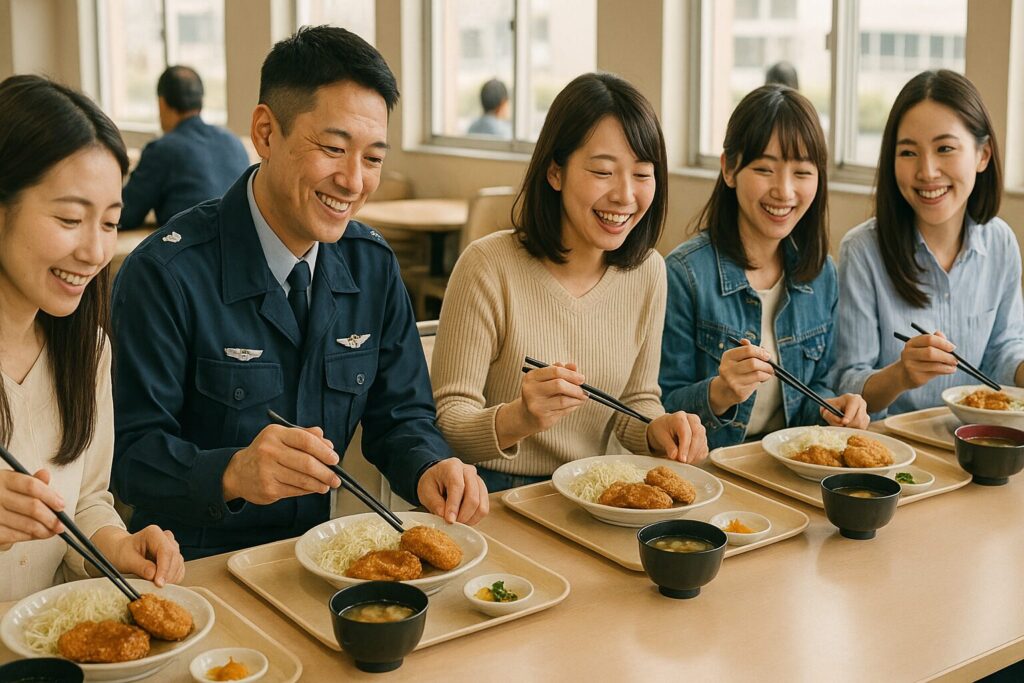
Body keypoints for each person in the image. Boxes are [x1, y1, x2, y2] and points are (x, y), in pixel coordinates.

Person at [111, 26, 488, 560]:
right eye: (334, 148)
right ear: (265, 132)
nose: (354, 181)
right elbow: (130, 458)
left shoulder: (372, 265)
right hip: (191, 569)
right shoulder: (165, 273)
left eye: (374, 158)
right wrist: (232, 472)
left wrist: (430, 464)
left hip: (317, 560)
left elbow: (401, 415)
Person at [431, 72, 708, 493]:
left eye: (642, 174)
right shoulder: (488, 266)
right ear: (555, 173)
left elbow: (635, 403)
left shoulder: (649, 271)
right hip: (490, 492)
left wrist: (657, 428)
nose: (624, 195)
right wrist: (518, 418)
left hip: (590, 491)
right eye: (602, 171)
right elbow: (446, 421)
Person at [0, 75, 184, 601]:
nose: (94, 250)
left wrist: (114, 546)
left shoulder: (87, 350)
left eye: (109, 223)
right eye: (70, 219)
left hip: (46, 643)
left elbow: (85, 502)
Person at [659, 85, 869, 449]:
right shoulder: (684, 274)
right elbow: (657, 410)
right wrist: (720, 393)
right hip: (710, 473)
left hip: (783, 471)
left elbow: (813, 391)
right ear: (729, 169)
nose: (784, 191)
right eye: (764, 169)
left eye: (802, 172)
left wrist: (830, 408)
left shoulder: (821, 274)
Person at [835, 70, 1024, 415]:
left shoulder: (1001, 243)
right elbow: (847, 383)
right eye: (908, 153)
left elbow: (1002, 352)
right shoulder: (862, 251)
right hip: (894, 452)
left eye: (945, 148)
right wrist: (901, 375)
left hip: (976, 440)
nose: (927, 171)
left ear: (983, 155)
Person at [119, 66, 250, 229]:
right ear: (201, 101)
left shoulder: (162, 150)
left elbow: (125, 215)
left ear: (161, 103)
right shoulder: (234, 142)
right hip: (241, 244)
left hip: (194, 249)